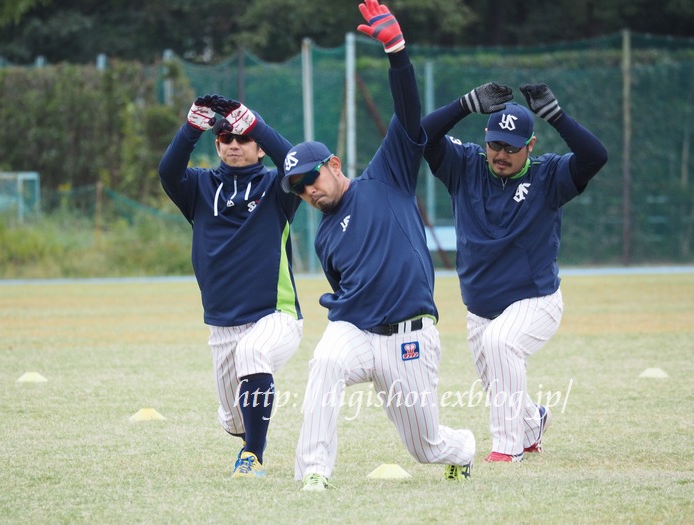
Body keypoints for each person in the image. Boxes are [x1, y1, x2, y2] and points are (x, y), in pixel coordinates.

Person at [280, 0, 476, 491]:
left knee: (425, 446)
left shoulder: (386, 176)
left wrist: (397, 52)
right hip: (358, 332)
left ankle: (464, 448)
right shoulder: (325, 235)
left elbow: (409, 115)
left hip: (409, 337)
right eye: (299, 188)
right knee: (324, 361)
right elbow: (350, 289)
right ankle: (314, 475)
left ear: (335, 164)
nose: (308, 190)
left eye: (311, 177)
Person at [421, 83, 608, 462]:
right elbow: (420, 135)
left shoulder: (548, 176)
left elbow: (595, 156)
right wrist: (464, 104)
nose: (500, 154)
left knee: (501, 344)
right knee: (499, 382)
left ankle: (507, 450)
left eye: (511, 146)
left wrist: (557, 116)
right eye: (495, 144)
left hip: (535, 300)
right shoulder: (465, 165)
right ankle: (532, 421)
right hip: (479, 310)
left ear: (531, 145)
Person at [158, 94, 304, 478]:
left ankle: (253, 456)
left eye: (243, 138)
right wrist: (192, 127)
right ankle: (246, 436)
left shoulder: (278, 187)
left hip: (275, 315)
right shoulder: (200, 187)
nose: (234, 145)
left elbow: (295, 161)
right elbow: (168, 172)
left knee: (254, 353)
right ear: (218, 144)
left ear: (258, 148)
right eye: (226, 139)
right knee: (235, 421)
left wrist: (254, 122)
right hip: (222, 324)